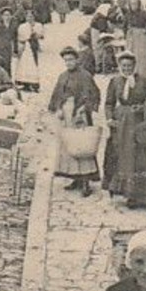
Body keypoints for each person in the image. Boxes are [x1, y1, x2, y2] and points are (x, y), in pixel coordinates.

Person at [48, 47, 102, 191]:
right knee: (69, 145)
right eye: (66, 60)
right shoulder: (63, 76)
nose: (68, 63)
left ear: (77, 60)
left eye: (71, 59)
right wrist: (58, 108)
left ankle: (85, 181)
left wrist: (85, 108)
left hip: (80, 114)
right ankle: (75, 178)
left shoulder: (85, 75)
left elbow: (94, 94)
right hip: (66, 114)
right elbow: (57, 94)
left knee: (82, 144)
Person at [105, 53, 146, 206]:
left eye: (129, 66)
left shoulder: (145, 81)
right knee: (123, 156)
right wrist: (109, 118)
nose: (127, 69)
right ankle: (127, 193)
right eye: (124, 66)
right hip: (121, 124)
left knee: (139, 156)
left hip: (138, 123)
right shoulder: (115, 81)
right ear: (120, 67)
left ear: (134, 66)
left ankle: (142, 193)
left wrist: (141, 108)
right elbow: (109, 103)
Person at [13, 9, 45, 92]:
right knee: (24, 64)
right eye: (28, 17)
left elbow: (41, 36)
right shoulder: (22, 26)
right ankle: (24, 83)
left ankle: (33, 83)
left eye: (31, 16)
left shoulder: (38, 25)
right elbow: (20, 37)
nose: (29, 18)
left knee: (33, 63)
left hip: (33, 46)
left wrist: (35, 34)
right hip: (24, 46)